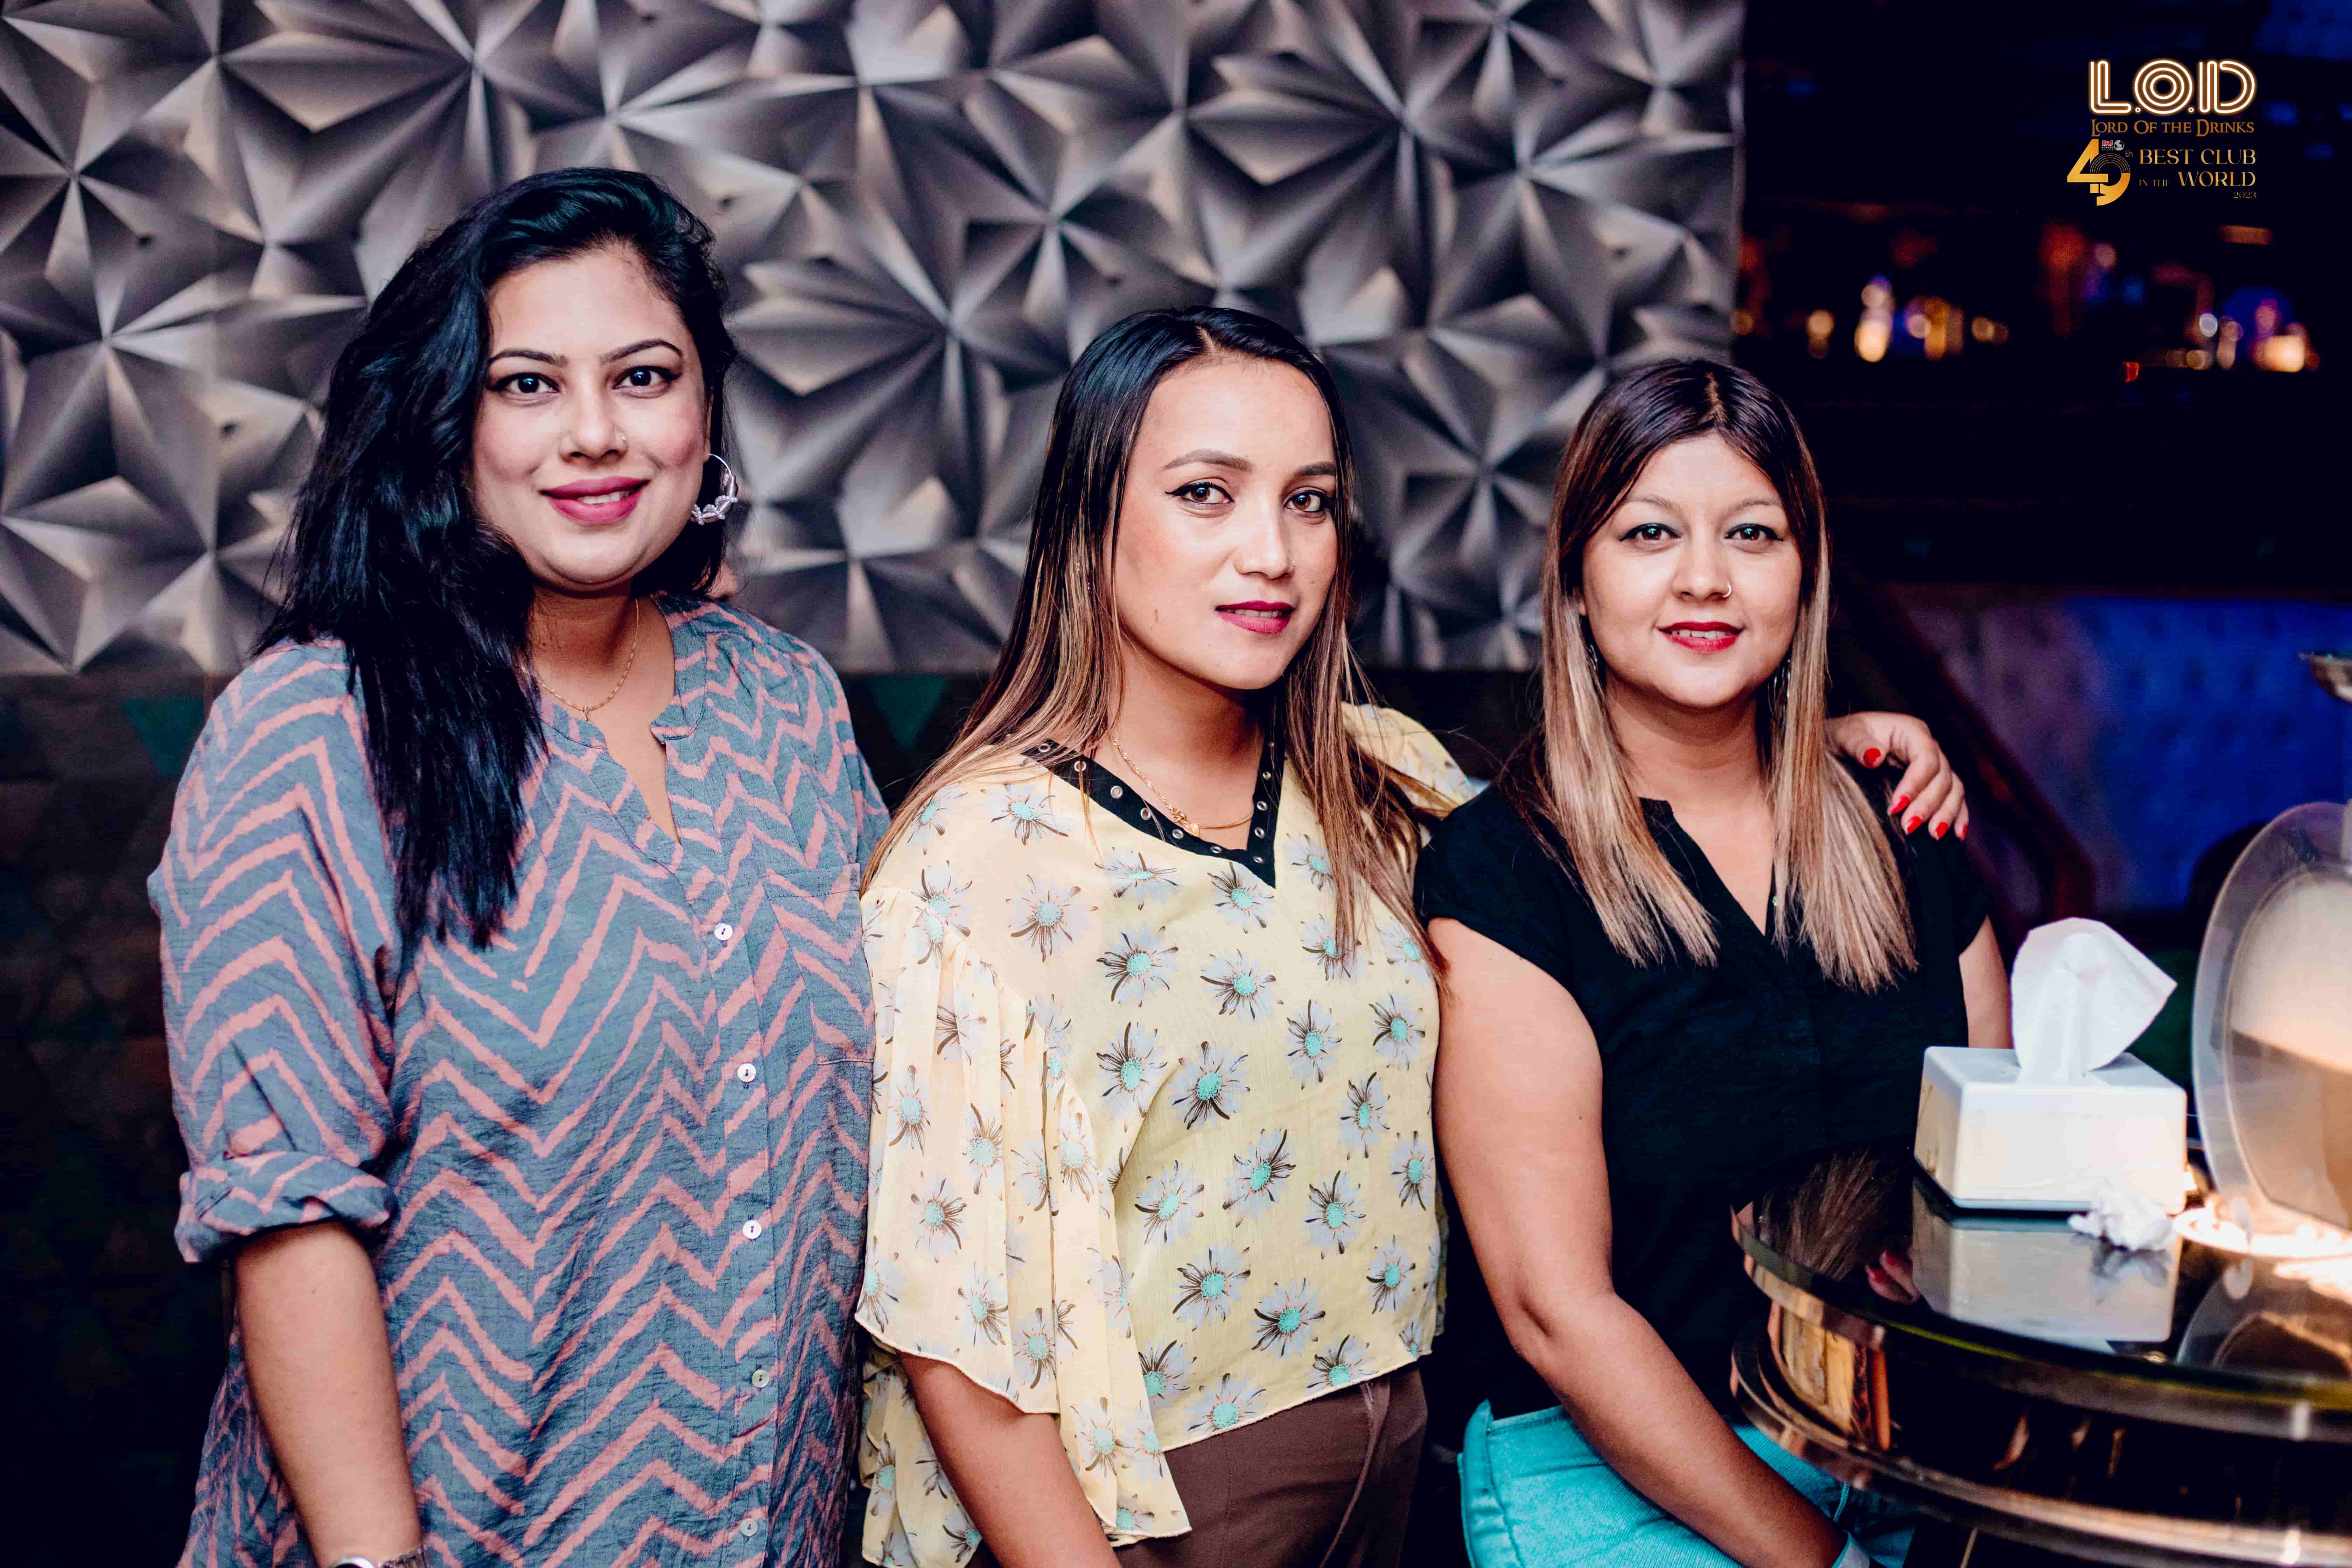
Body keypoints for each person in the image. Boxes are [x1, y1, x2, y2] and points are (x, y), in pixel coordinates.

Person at [850, 309, 1970, 1568]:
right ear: (1089, 518)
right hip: (1124, 1510)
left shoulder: (1383, 783)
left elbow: (1607, 830)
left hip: (1389, 1492)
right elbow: (962, 1346)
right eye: (1205, 494)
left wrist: (1809, 752)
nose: (1270, 552)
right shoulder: (976, 856)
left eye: (1310, 502)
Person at [153, 169, 884, 1567]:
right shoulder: (316, 732)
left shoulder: (786, 705)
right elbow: (289, 1217)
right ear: (446, 421)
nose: (595, 432)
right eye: (527, 385)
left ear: (706, 411)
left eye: (644, 377)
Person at [1418, 358, 2011, 1568]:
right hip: (1611, 1474)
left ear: (1806, 575)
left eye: (1752, 533)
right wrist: (1818, 1557)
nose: (1705, 577)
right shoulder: (1508, 875)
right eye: (1650, 533)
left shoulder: (1905, 832)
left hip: (1905, 1455)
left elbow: (1993, 1190)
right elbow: (1556, 1314)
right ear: (1577, 580)